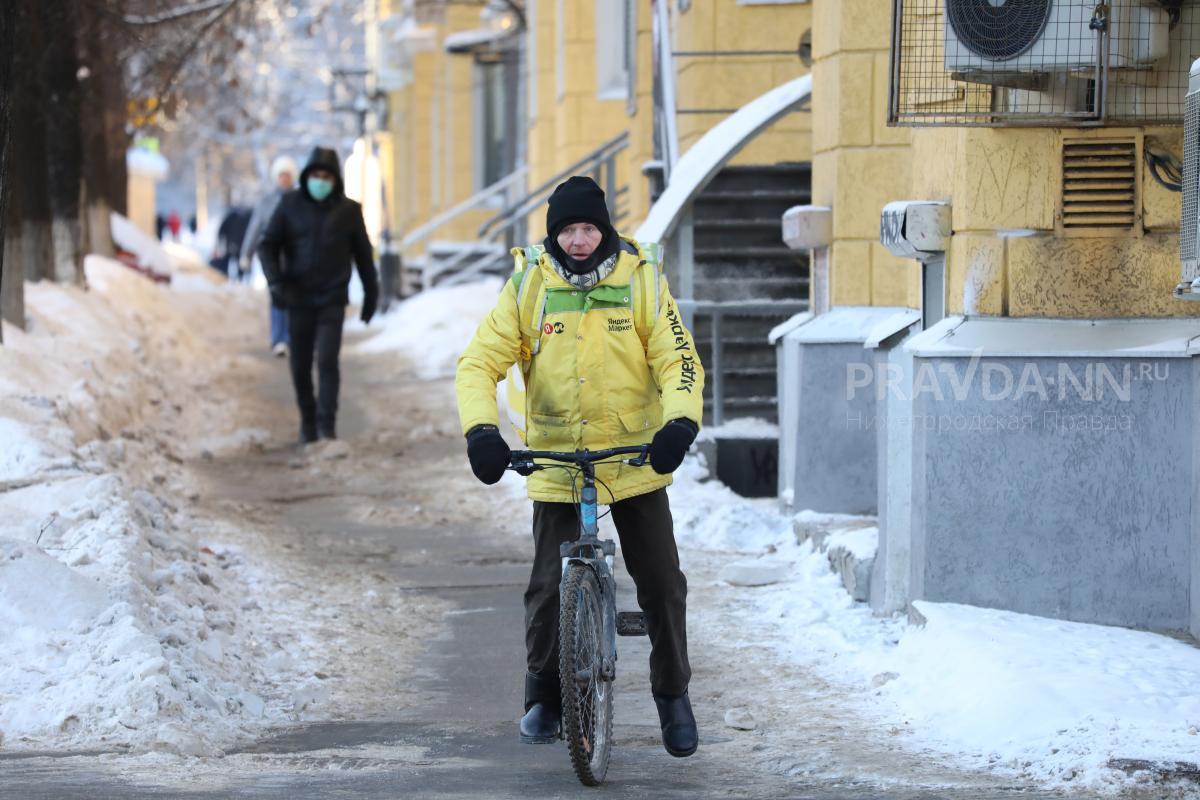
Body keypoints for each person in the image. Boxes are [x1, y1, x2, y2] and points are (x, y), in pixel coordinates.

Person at [455, 176, 705, 758]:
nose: (579, 240)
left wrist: (679, 424)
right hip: (557, 460)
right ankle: (543, 692)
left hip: (634, 457)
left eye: (589, 227)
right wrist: (482, 431)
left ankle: (673, 695)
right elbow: (478, 364)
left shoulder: (640, 281)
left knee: (663, 582)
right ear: (553, 234)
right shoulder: (528, 287)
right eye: (568, 229)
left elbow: (678, 359)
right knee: (547, 585)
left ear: (605, 229)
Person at [258, 146, 379, 444]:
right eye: (315, 175)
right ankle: (308, 423)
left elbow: (363, 255)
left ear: (335, 179)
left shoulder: (349, 211)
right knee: (299, 364)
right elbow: (267, 245)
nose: (320, 181)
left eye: (326, 176)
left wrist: (371, 293)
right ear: (306, 175)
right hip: (297, 297)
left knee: (326, 361)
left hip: (331, 298)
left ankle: (327, 427)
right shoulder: (289, 205)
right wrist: (275, 282)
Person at [241, 155, 299, 357]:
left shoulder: (301, 200)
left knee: (296, 299)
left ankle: (294, 337)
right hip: (273, 258)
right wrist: (245, 254)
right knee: (277, 296)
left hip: (297, 258)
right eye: (281, 175)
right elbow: (254, 229)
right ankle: (279, 339)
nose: (284, 179)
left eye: (288, 175)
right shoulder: (266, 202)